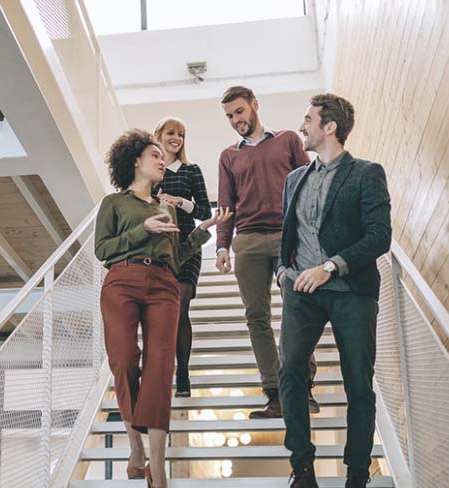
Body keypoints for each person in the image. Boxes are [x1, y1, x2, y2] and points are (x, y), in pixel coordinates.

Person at [95, 129, 231, 488]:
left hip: (164, 284)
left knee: (160, 366)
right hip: (122, 280)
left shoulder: (167, 206)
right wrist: (143, 229)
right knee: (124, 360)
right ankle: (135, 447)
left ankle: (158, 466)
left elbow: (177, 253)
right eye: (154, 155)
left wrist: (204, 232)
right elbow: (103, 250)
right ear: (136, 161)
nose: (161, 161)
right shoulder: (114, 204)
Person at [276, 94, 391, 488]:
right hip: (301, 293)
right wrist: (282, 273)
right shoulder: (295, 179)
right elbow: (287, 235)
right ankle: (302, 468)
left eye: (308, 119)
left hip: (351, 290)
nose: (301, 126)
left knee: (357, 380)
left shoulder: (366, 173)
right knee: (290, 370)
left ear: (330, 127)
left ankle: (357, 473)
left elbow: (379, 237)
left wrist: (330, 267)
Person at [215, 86, 319, 418]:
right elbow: (226, 205)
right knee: (256, 318)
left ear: (255, 106)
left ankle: (301, 388)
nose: (235, 120)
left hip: (288, 237)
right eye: (230, 116)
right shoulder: (228, 156)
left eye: (239, 112)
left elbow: (309, 186)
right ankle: (274, 393)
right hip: (246, 241)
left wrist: (312, 235)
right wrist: (221, 245)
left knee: (298, 310)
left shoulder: (288, 140)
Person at [151, 116, 212, 397]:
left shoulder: (191, 170)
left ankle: (183, 373)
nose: (176, 138)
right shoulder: (152, 170)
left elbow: (204, 213)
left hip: (188, 246)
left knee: (181, 306)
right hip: (158, 248)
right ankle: (165, 370)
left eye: (181, 134)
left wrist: (180, 202)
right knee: (163, 313)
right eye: (171, 133)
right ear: (159, 136)